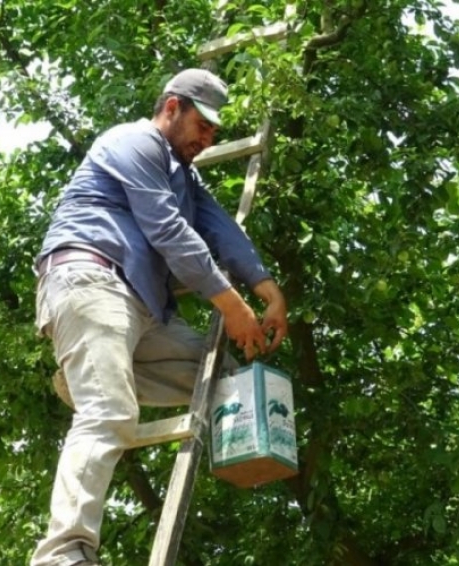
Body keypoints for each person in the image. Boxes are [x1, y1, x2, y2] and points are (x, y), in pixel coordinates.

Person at [30, 68, 289, 566]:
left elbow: (222, 232)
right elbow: (168, 230)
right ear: (172, 107)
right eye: (203, 125)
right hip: (91, 279)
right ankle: (63, 554)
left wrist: (269, 293)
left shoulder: (186, 179)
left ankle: (84, 377)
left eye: (215, 130)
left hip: (141, 307)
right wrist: (234, 306)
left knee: (223, 383)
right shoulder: (132, 142)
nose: (209, 137)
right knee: (108, 414)